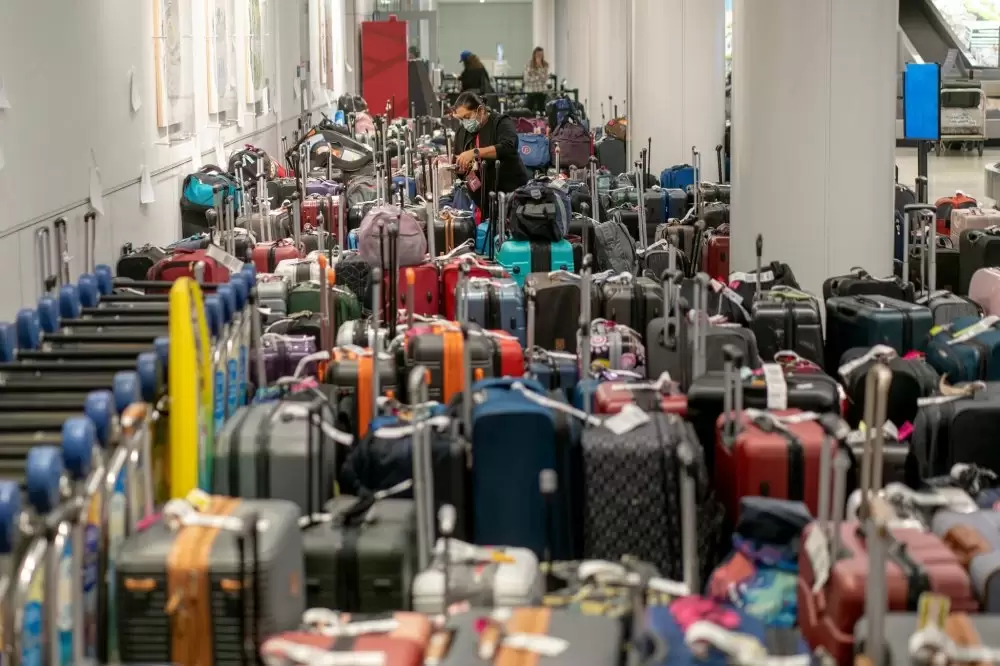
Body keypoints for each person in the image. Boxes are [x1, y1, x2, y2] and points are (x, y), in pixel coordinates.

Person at [452, 91, 529, 211]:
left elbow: (508, 147)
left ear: (481, 110)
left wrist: (475, 152)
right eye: (461, 119)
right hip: (480, 198)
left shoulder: (501, 122)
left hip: (509, 194)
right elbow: (458, 160)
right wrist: (459, 167)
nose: (465, 123)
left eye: (467, 117)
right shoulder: (462, 132)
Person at [523, 47, 550, 114]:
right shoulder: (529, 64)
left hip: (541, 90)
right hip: (531, 90)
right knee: (529, 109)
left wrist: (540, 68)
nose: (539, 57)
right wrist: (539, 77)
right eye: (538, 55)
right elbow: (527, 79)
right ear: (534, 54)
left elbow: (545, 79)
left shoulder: (545, 65)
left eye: (541, 55)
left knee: (541, 109)